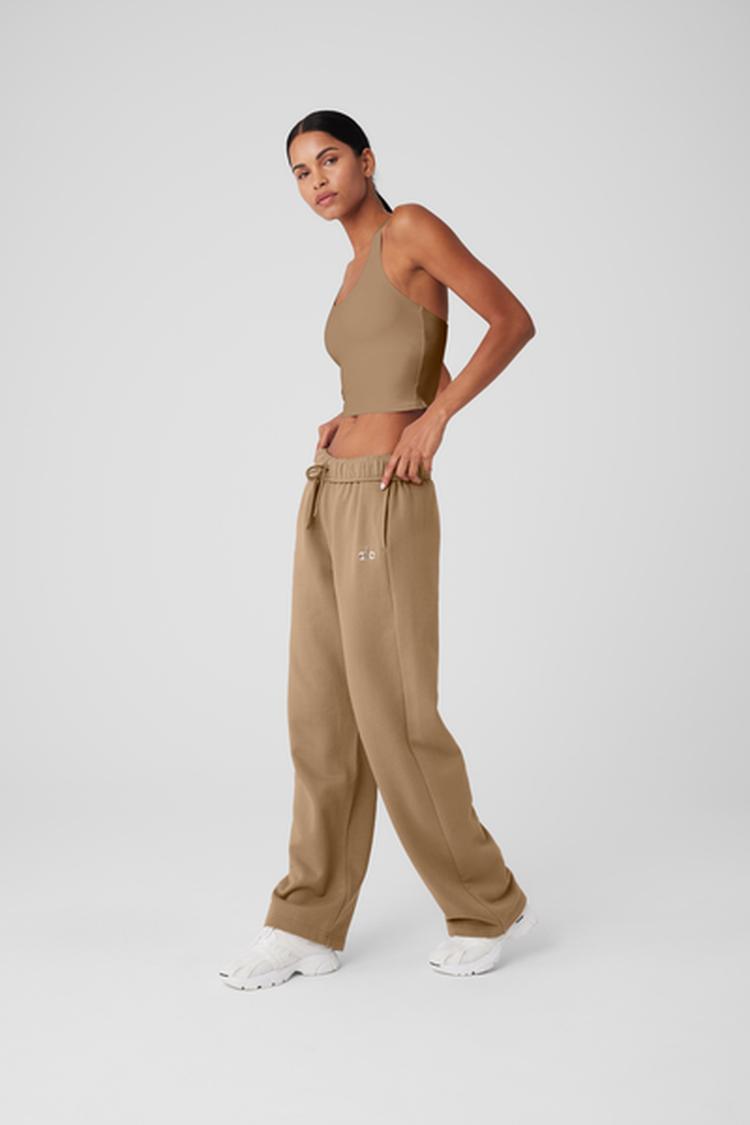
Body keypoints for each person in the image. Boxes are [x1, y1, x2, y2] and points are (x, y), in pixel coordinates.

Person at [220, 109, 538, 990]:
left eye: (329, 160)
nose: (316, 180)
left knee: (396, 714)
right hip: (330, 488)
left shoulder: (410, 229)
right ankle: (307, 922)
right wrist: (356, 411)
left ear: (366, 161)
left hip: (388, 498)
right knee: (320, 715)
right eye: (299, 171)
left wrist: (435, 420)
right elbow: (415, 357)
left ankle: (486, 903)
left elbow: (510, 321)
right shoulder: (354, 265)